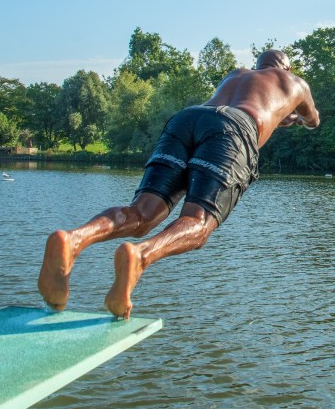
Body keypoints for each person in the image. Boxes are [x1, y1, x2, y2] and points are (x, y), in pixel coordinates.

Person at [38, 49, 319, 319]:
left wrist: (282, 114)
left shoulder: (236, 74)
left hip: (189, 118)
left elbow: (245, 100)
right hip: (233, 131)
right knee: (198, 223)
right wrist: (294, 117)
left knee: (143, 212)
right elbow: (312, 120)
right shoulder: (295, 83)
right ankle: (140, 256)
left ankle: (73, 240)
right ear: (287, 68)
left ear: (258, 65)